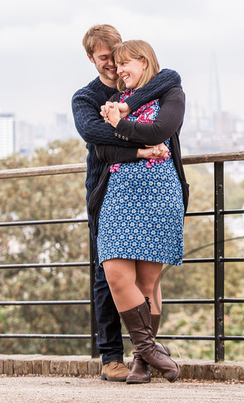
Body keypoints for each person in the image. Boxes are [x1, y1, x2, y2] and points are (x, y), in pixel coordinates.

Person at [71, 25, 182, 382]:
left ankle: (142, 358)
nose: (114, 66)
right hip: (109, 190)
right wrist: (140, 149)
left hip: (159, 191)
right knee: (111, 273)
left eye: (119, 58)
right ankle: (114, 356)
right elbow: (97, 140)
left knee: (148, 282)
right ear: (91, 59)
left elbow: (169, 89)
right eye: (106, 59)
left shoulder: (156, 86)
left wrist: (124, 111)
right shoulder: (88, 98)